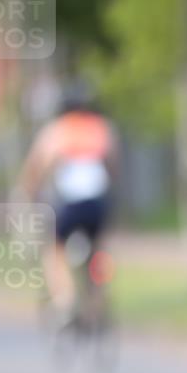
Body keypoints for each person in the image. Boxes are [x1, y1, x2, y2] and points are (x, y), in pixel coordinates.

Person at [16, 89, 117, 319]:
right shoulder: (101, 128)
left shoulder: (57, 130)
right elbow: (112, 164)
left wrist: (29, 191)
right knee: (98, 248)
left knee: (55, 250)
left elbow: (37, 166)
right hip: (98, 203)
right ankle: (99, 298)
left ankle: (65, 300)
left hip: (69, 205)